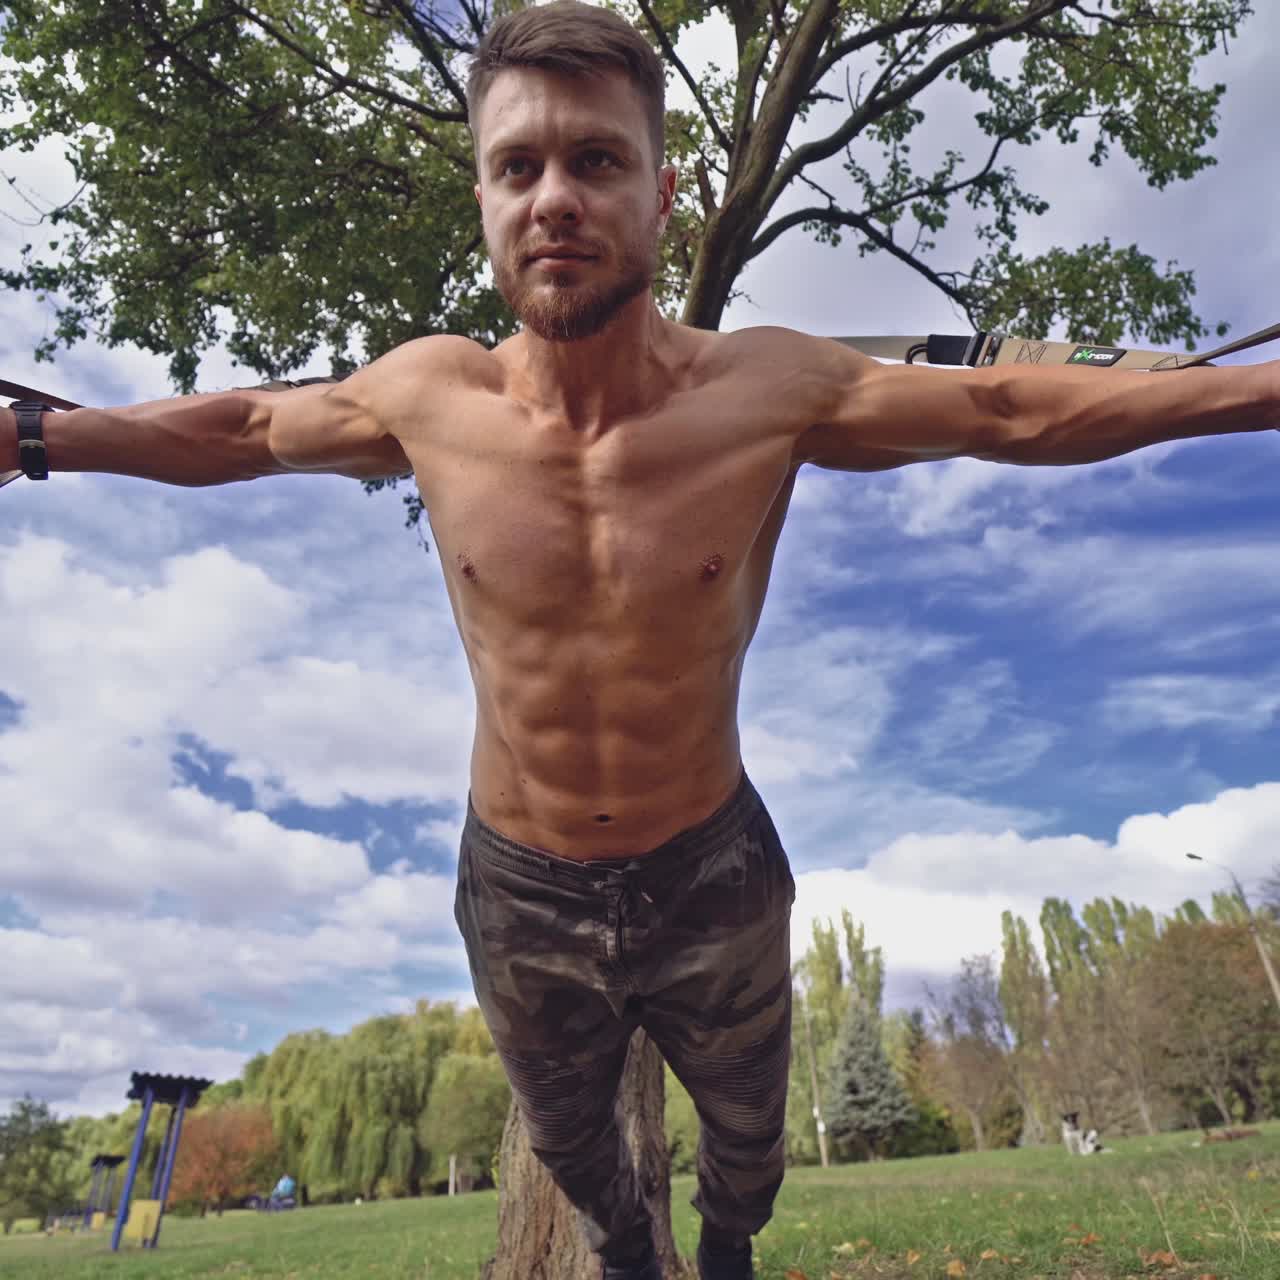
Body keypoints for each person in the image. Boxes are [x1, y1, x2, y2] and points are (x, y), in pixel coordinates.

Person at [2, 3, 1276, 1276]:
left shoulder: (770, 386)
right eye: (517, 167)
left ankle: (725, 1240)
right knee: (571, 1143)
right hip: (519, 883)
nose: (553, 197)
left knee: (751, 1143)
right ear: (487, 201)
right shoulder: (429, 392)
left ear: (664, 193)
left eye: (595, 160)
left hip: (708, 866)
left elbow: (1005, 405)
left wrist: (1256, 392)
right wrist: (40, 439)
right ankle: (623, 1248)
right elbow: (231, 430)